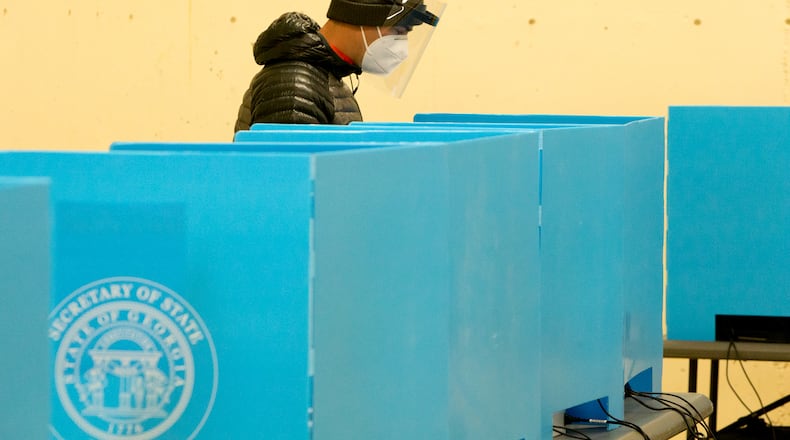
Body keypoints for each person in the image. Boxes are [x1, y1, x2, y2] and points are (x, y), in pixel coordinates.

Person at [234, 0, 440, 132]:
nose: (401, 45)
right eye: (399, 31)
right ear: (362, 17)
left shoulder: (326, 76)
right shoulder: (295, 82)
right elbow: (289, 183)